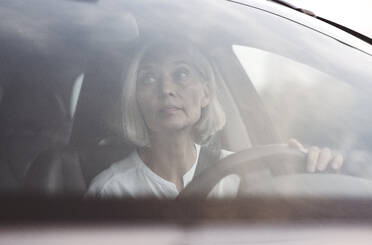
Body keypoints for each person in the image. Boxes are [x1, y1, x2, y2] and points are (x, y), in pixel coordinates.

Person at [86, 40, 343, 199]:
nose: (166, 89)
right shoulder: (111, 190)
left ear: (207, 93)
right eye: (148, 79)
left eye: (182, 74)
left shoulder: (243, 172)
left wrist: (314, 171)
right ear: (137, 101)